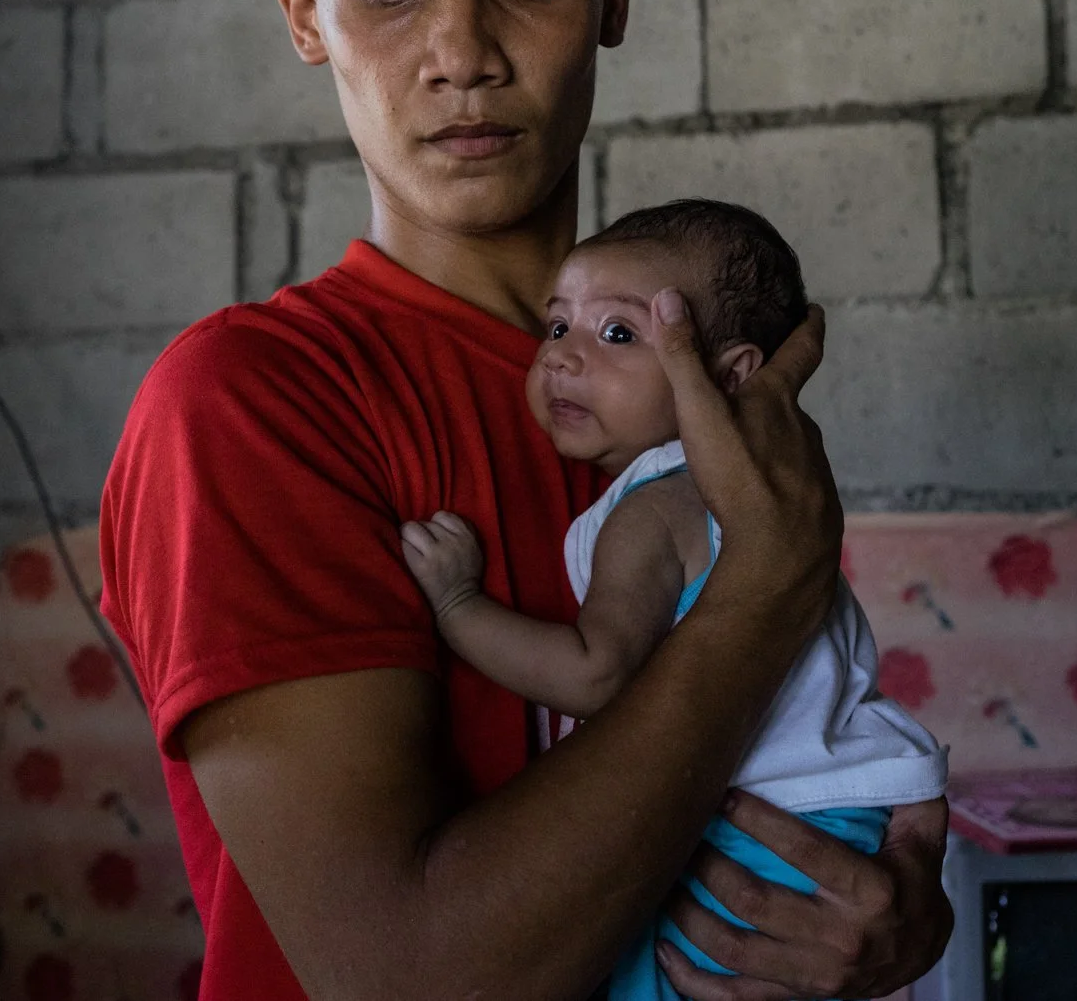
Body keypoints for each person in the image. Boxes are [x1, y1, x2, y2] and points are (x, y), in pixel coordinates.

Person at [98, 0, 952, 1000]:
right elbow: (409, 978)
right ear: (305, 10)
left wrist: (890, 912)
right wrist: (761, 593)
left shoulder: (685, 377)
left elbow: (806, 777)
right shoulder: (252, 404)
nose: (461, 54)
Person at [399, 199, 949, 1000]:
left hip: (754, 837)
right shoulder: (751, 500)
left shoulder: (656, 505)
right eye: (557, 327)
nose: (562, 358)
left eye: (616, 334)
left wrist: (456, 605)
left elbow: (595, 672)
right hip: (834, 822)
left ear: (728, 375)